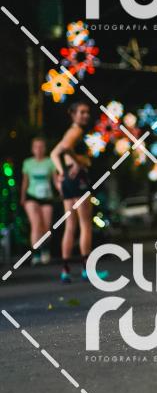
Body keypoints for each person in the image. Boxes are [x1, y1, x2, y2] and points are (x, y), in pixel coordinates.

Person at [51, 101, 94, 283]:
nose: (85, 115)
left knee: (70, 226)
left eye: (87, 112)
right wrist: (78, 162)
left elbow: (54, 154)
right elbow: (67, 148)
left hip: (69, 180)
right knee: (85, 224)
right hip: (78, 179)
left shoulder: (70, 131)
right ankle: (86, 270)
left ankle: (65, 271)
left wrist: (62, 172)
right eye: (82, 112)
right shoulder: (76, 131)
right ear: (73, 114)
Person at [21, 136, 58, 265]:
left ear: (45, 148)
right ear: (32, 149)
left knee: (46, 226)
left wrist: (62, 189)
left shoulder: (50, 162)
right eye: (36, 147)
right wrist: (23, 197)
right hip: (32, 196)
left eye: (41, 146)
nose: (39, 149)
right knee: (36, 224)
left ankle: (45, 250)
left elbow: (55, 180)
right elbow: (25, 181)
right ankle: (36, 254)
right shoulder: (27, 163)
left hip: (47, 197)